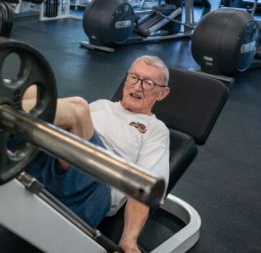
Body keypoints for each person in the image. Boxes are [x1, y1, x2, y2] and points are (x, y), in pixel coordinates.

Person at [23, 55, 171, 253]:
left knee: (78, 108)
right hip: (55, 161)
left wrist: (129, 239)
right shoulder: (103, 104)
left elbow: (145, 186)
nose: (137, 87)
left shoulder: (156, 129)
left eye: (148, 83)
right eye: (134, 77)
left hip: (94, 191)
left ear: (162, 94)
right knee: (34, 90)